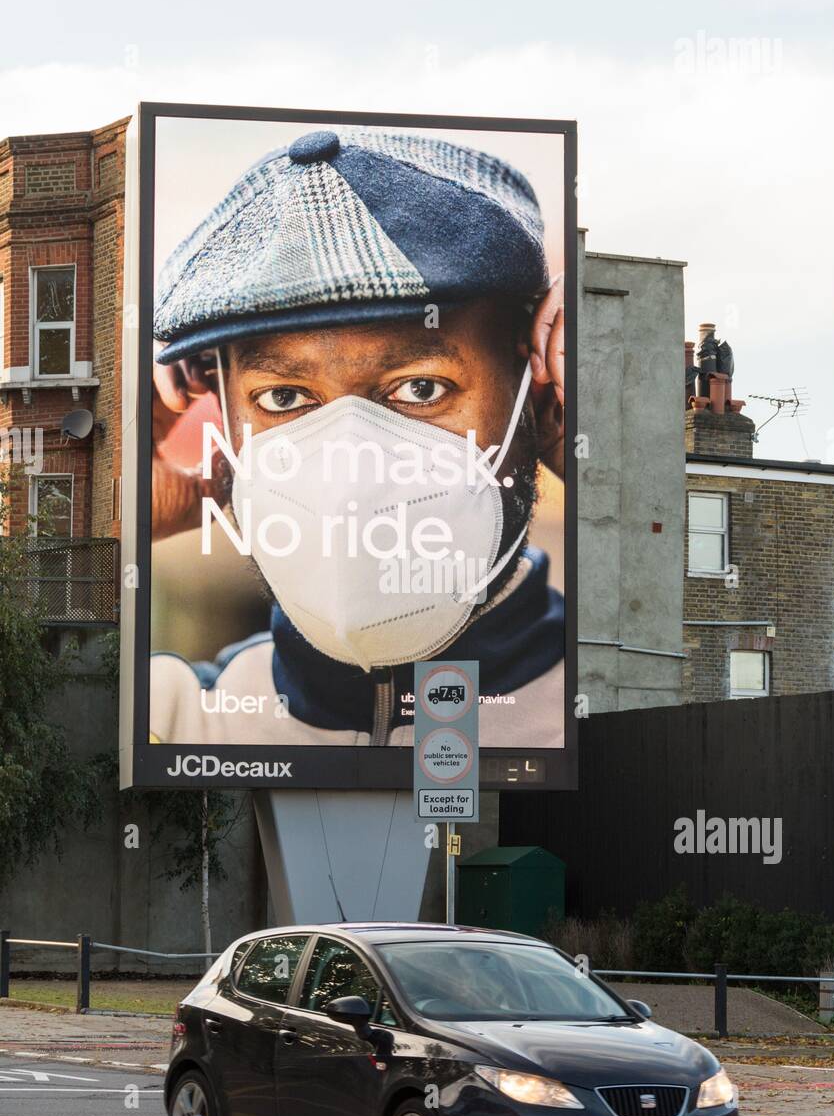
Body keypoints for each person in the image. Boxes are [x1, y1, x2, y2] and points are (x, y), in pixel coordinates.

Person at [150, 128, 566, 747]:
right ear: (225, 413)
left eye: (420, 388)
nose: (351, 478)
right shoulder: (165, 724)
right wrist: (98, 508)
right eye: (284, 398)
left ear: (535, 388)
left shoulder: (612, 715)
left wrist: (618, 484)